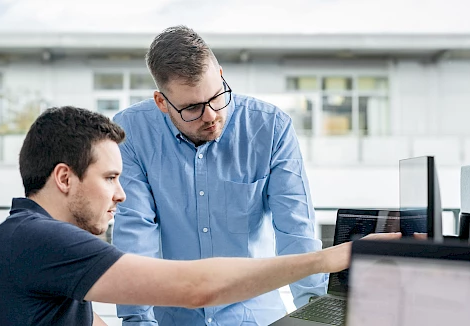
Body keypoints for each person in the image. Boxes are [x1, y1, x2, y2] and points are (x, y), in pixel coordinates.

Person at [0, 106, 401, 326]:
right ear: (64, 178)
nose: (120, 196)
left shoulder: (26, 239)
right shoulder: (42, 241)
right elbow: (197, 288)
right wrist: (337, 256)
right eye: (111, 178)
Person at [111, 24, 329, 326]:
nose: (211, 115)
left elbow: (296, 233)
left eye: (217, 96)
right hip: (172, 318)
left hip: (256, 317)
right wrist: (138, 321)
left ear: (222, 75)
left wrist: (317, 319)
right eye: (192, 108)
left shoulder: (271, 127)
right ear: (162, 102)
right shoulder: (131, 132)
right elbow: (135, 235)